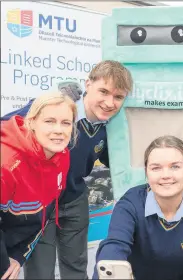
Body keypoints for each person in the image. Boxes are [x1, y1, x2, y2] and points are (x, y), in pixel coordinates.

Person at [1, 60, 133, 279]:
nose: (110, 102)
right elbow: (8, 129)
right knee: (40, 271)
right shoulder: (57, 109)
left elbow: (117, 161)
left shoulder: (111, 126)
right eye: (103, 91)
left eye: (118, 97)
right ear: (87, 84)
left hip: (73, 199)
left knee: (76, 265)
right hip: (39, 203)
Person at [93, 135, 183, 280]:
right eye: (156, 168)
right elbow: (115, 244)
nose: (166, 175)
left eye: (175, 166)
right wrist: (110, 267)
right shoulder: (130, 203)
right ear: (146, 171)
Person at [0, 92, 77, 279]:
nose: (59, 130)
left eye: (66, 123)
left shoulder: (62, 155)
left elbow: (45, 212)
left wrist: (19, 255)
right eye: (49, 121)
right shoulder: (7, 164)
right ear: (32, 122)